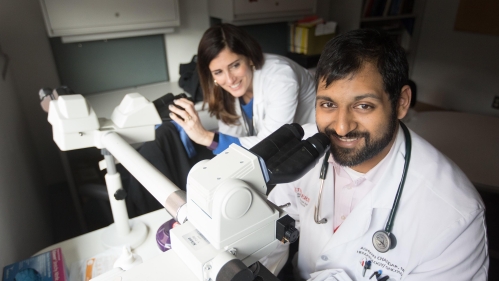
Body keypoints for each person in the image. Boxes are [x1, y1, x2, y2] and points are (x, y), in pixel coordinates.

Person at [261, 29, 488, 281]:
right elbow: (272, 225)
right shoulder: (303, 148)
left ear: (401, 102)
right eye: (328, 104)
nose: (341, 127)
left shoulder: (454, 216)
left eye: (363, 106)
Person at [125, 23, 316, 215]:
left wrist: (207, 138)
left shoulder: (280, 77)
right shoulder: (226, 88)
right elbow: (229, 142)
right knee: (162, 139)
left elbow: (272, 144)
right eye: (218, 72)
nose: (229, 79)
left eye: (235, 65)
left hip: (299, 154)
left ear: (249, 57)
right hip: (261, 154)